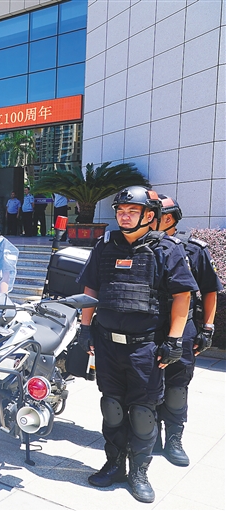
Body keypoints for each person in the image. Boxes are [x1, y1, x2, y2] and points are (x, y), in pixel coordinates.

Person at [76, 186, 197, 503]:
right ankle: (114, 465)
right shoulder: (105, 246)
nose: (124, 216)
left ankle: (139, 473)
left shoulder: (166, 249)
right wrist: (85, 329)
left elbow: (182, 296)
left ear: (149, 215)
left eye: (132, 211)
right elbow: (91, 288)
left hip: (145, 348)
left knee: (143, 413)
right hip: (107, 345)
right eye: (120, 211)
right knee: (112, 407)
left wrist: (174, 340)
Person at [152, 194, 223, 467]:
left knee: (177, 385)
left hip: (184, 327)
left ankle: (174, 439)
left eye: (153, 214)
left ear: (168, 218)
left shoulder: (194, 249)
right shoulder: (143, 246)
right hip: (150, 325)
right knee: (147, 382)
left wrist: (207, 328)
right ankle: (150, 436)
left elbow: (210, 290)